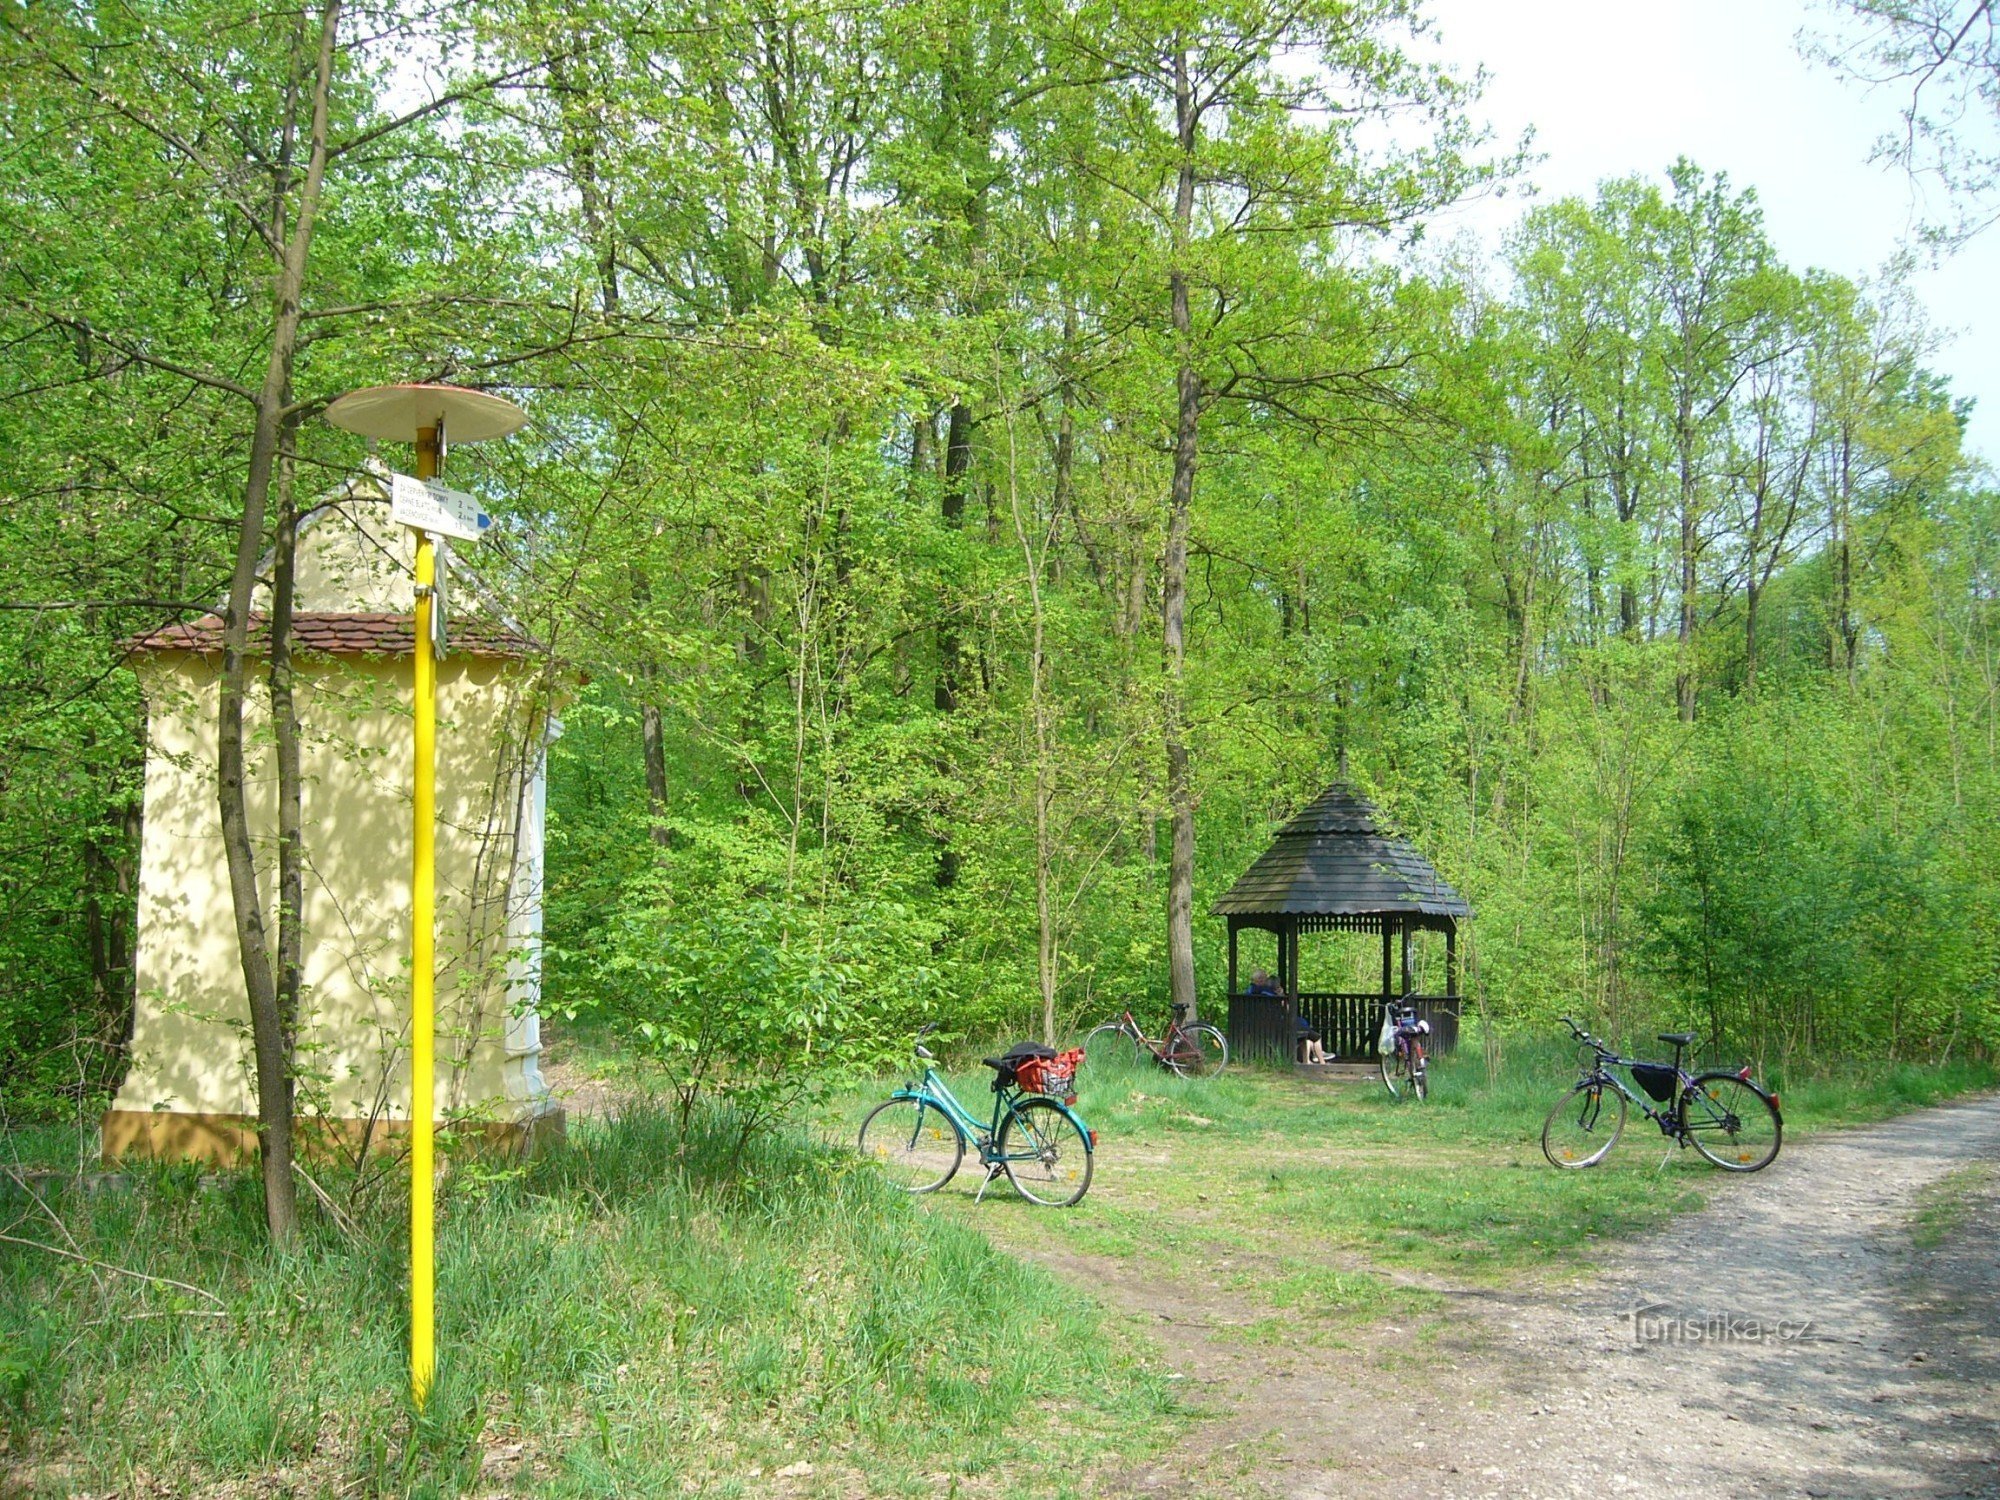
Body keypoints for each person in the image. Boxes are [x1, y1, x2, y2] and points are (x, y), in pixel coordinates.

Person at [1248, 968, 1328, 1065]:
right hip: (1278, 1026)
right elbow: (1287, 1010)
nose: (1266, 980)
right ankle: (1320, 1062)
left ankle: (1308, 1060)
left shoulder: (1249, 993)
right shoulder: (1268, 994)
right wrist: (1281, 995)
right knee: (1311, 1034)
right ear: (1259, 980)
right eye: (1265, 978)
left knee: (1303, 1031)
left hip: (1258, 1026)